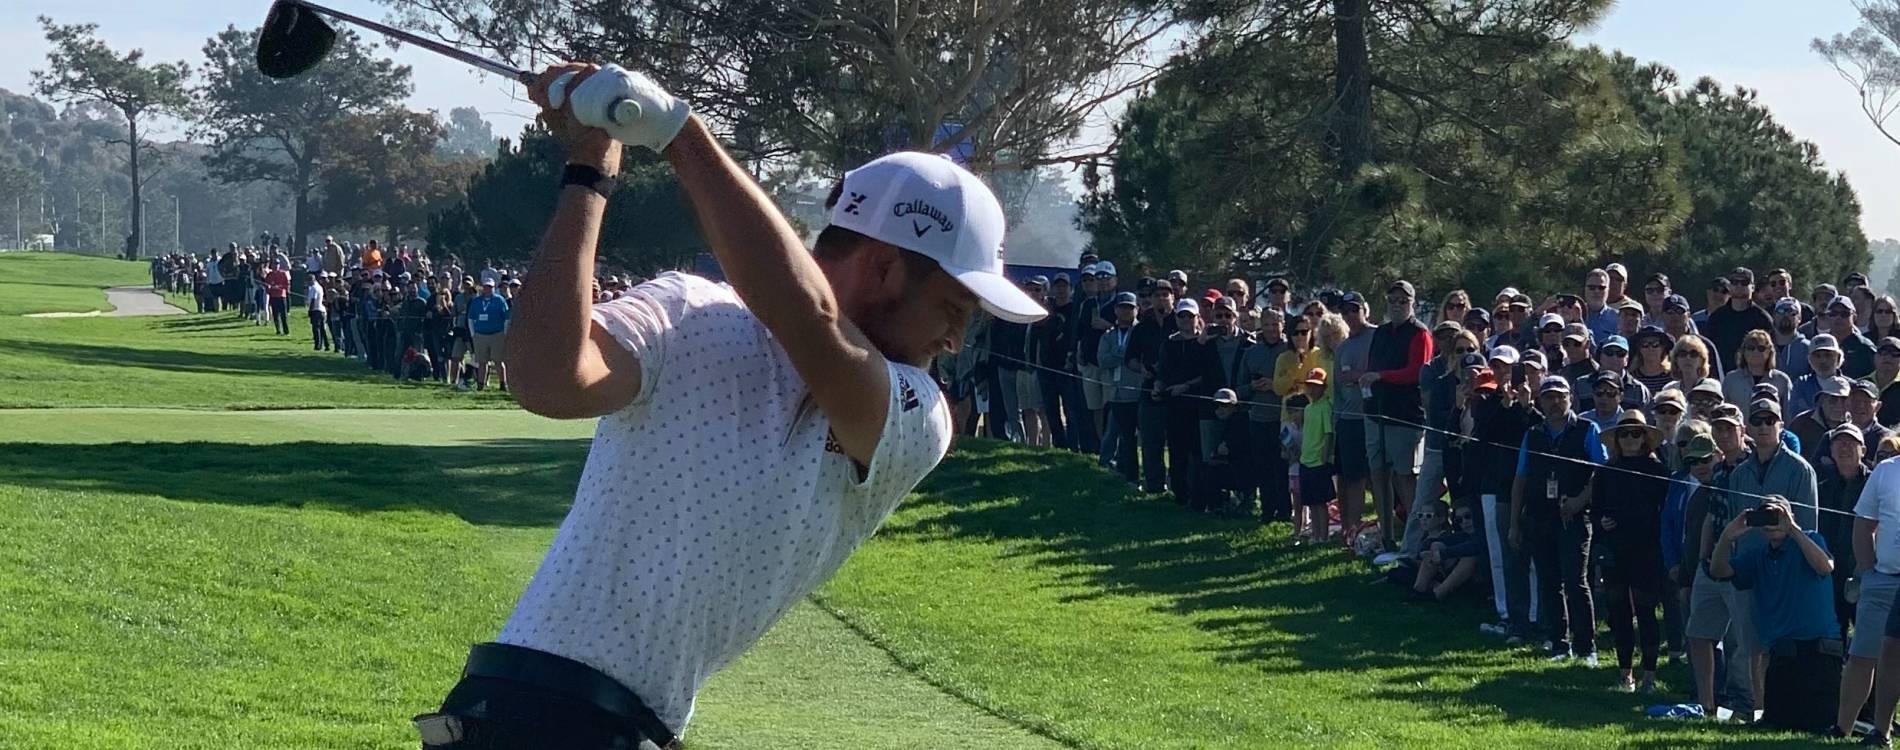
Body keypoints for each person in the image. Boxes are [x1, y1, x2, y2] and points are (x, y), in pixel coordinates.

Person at [420, 63, 1045, 750]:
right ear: (888, 270)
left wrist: (679, 132)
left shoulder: (918, 414)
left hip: (619, 728)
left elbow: (811, 321)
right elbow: (546, 380)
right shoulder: (689, 310)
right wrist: (589, 168)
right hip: (508, 708)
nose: (956, 338)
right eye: (953, 308)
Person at [1710, 496, 1841, 735]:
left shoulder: (1810, 539)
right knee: (1779, 722)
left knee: (1818, 722)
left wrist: (1793, 530)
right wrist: (1727, 537)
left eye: (1776, 516)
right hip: (1783, 653)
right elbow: (1718, 570)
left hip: (1819, 650)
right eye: (1765, 518)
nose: (1771, 523)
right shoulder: (1758, 556)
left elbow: (1825, 567)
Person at [1512, 375, 1606, 663]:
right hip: (1540, 517)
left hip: (1574, 517)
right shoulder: (1533, 434)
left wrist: (1580, 501)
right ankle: (1559, 644)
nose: (1554, 402)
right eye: (1548, 397)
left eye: (1560, 396)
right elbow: (1521, 478)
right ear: (1540, 401)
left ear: (1570, 399)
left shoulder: (1587, 429)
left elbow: (1601, 473)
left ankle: (1586, 647)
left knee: (1576, 581)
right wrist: (1514, 523)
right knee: (1549, 582)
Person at [1594, 411, 1671, 692]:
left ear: (1645, 439)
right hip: (1615, 550)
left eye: (1635, 434)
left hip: (1646, 549)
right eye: (1624, 434)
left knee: (1646, 610)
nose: (1629, 439)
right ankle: (1625, 673)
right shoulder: (1605, 472)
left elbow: (1665, 513)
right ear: (1616, 440)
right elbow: (1597, 509)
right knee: (1618, 611)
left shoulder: (1658, 472)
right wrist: (1603, 523)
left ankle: (1650, 675)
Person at [1366, 280, 1432, 552]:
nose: (1396, 305)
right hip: (1376, 412)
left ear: (1412, 303)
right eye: (1392, 300)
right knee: (1378, 474)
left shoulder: (1420, 333)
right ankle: (1387, 536)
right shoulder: (1380, 333)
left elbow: (1417, 371)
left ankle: (1416, 538)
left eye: (1402, 301)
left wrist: (1382, 376)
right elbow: (1373, 365)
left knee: (1405, 476)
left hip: (1405, 415)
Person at [1855, 439, 1900, 747]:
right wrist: (1869, 570)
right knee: (1891, 648)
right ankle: (1880, 731)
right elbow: (1864, 524)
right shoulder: (1887, 471)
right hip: (1890, 577)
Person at [1731, 398, 1823, 530]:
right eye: (1757, 422)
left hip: (1787, 550)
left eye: (1770, 421)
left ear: (1781, 426)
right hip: (1746, 551)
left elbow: (1808, 529)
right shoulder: (1739, 474)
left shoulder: (1801, 470)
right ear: (1748, 428)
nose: (1763, 426)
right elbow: (1733, 527)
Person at [1331, 292, 1376, 533]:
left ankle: (1385, 528)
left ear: (1365, 310)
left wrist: (1358, 376)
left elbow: (1386, 372)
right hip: (1349, 421)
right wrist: (1336, 420)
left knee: (1379, 477)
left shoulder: (1379, 336)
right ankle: (1353, 530)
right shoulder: (1343, 348)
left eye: (1354, 309)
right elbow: (1337, 387)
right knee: (1352, 479)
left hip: (1375, 416)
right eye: (1345, 311)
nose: (1350, 315)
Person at [1158, 297, 1209, 507]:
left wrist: (1186, 386)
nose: (1186, 320)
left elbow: (1207, 375)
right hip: (1174, 406)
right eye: (1182, 316)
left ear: (1197, 318)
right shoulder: (1169, 343)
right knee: (1177, 452)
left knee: (1198, 454)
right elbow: (1162, 372)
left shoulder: (1204, 343)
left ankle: (1198, 498)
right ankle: (1180, 496)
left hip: (1197, 406)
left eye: (1190, 316)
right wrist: (1158, 386)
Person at [1241, 308, 1289, 523]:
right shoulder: (1251, 353)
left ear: (1283, 325)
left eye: (1275, 324)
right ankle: (1267, 511)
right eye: (1267, 324)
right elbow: (1238, 388)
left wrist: (1276, 386)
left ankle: (1286, 511)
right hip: (1257, 418)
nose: (1271, 329)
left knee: (1283, 468)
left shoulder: (1291, 351)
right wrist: (1252, 385)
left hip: (1284, 419)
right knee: (1263, 467)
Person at [1097, 291, 1143, 485]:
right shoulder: (1108, 335)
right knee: (1118, 432)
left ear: (1136, 310)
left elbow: (1141, 357)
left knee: (1136, 436)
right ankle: (1112, 465)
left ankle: (1134, 472)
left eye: (1129, 307)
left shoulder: (1141, 332)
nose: (1125, 311)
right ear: (1115, 309)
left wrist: (1118, 356)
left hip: (1138, 392)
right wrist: (1122, 354)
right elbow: (1102, 360)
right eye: (1122, 307)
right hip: (1116, 392)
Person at [1297, 367, 1335, 542]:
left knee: (1321, 503)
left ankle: (1323, 536)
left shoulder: (1326, 407)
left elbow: (1328, 433)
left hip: (1319, 461)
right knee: (1311, 501)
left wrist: (1325, 456)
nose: (1312, 389)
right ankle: (1315, 533)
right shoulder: (1308, 408)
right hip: (1306, 459)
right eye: (1309, 385)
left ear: (1324, 387)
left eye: (1316, 386)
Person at [1722, 329, 1795, 414]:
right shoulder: (1731, 380)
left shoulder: (1782, 380)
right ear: (1743, 352)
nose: (1755, 352)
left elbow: (1789, 414)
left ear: (1769, 352)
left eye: (1761, 348)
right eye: (1750, 348)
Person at [467, 278, 511, 391]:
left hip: (497, 334)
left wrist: (504, 333)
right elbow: (470, 318)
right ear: (483, 287)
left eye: (490, 287)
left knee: (498, 361)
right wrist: (473, 334)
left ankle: (503, 384)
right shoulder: (476, 301)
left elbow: (506, 318)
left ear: (493, 288)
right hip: (480, 335)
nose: (488, 289)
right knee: (482, 362)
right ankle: (480, 385)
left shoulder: (499, 300)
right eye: (486, 286)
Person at [1823, 296, 1877, 379]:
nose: (1838, 317)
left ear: (1854, 317)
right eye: (1833, 313)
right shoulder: (1820, 344)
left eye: (1844, 314)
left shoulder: (1865, 347)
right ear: (1827, 317)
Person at [1793, 334, 1846, 418]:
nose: (1823, 361)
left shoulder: (1850, 386)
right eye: (1817, 356)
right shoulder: (1801, 385)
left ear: (1838, 357)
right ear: (1810, 360)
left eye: (1828, 355)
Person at [1771, 297, 1813, 381]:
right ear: (1774, 316)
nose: (1786, 315)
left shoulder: (1809, 348)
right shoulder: (1762, 346)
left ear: (1800, 318)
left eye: (1792, 312)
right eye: (1781, 311)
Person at [1630, 326, 1675, 396]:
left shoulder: (1673, 376)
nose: (1650, 348)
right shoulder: (1632, 377)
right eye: (1645, 344)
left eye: (1655, 344)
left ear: (1663, 348)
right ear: (1639, 349)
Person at [1584, 268, 1619, 343]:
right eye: (1592, 287)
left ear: (1608, 290)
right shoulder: (1574, 314)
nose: (1596, 291)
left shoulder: (1618, 319)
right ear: (1585, 289)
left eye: (1601, 288)